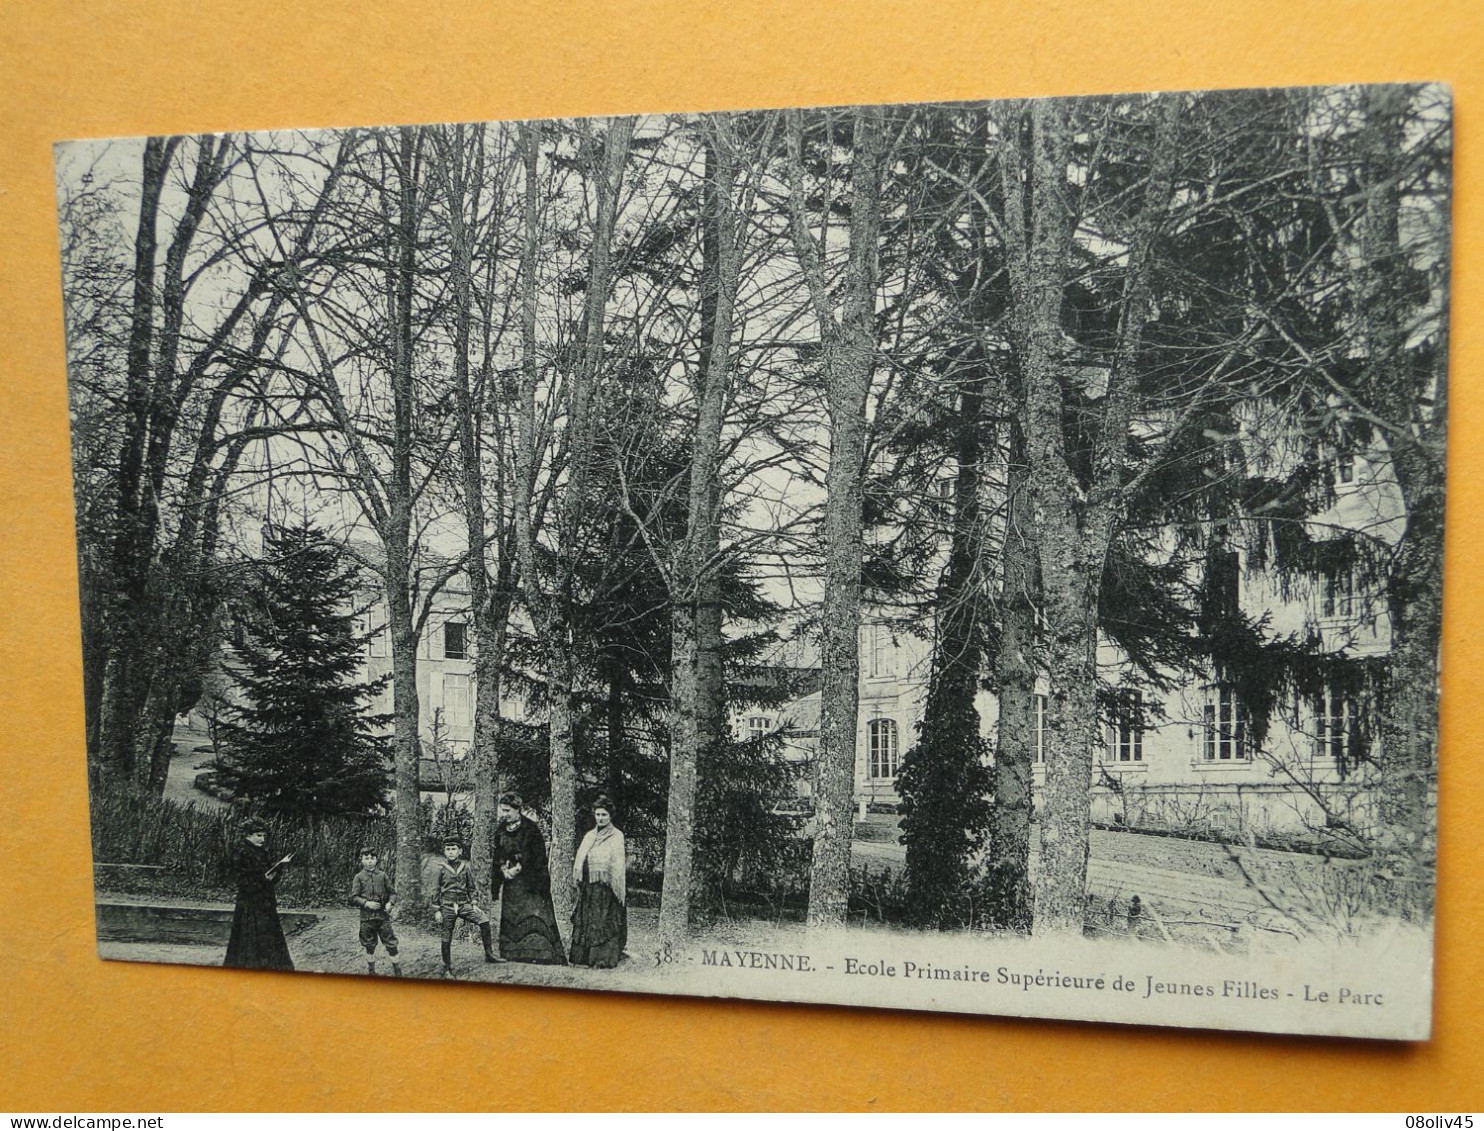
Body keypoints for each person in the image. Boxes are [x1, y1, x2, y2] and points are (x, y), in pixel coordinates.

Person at [491, 793, 566, 965]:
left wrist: (519, 868)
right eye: (502, 810)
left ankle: (539, 953)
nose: (504, 814)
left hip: (531, 882)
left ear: (518, 810)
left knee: (533, 915)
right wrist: (503, 869)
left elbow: (537, 856)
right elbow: (498, 853)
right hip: (511, 882)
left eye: (508, 810)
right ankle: (513, 953)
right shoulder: (501, 829)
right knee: (512, 915)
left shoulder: (531, 829)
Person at [224, 818, 294, 971]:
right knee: (249, 939)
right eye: (258, 835)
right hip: (250, 904)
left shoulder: (262, 852)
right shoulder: (241, 853)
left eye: (264, 836)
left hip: (266, 902)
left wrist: (277, 871)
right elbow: (242, 880)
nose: (262, 839)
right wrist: (263, 879)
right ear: (248, 835)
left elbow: (269, 877)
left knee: (269, 937)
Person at [427, 834, 497, 976]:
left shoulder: (465, 868)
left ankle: (489, 954)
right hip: (447, 906)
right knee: (446, 935)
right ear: (444, 851)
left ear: (460, 851)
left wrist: (474, 903)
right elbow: (434, 890)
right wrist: (436, 910)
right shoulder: (440, 869)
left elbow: (471, 888)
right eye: (448, 849)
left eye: (454, 848)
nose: (451, 851)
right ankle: (447, 968)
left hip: (464, 905)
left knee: (484, 920)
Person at [569, 795, 627, 968]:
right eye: (598, 814)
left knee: (602, 921)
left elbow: (617, 863)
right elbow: (581, 858)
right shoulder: (589, 836)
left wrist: (610, 880)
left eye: (604, 815)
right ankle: (582, 958)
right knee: (587, 920)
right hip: (589, 887)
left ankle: (602, 959)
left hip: (606, 889)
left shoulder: (617, 836)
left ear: (610, 816)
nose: (600, 818)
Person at [349, 846, 401, 977]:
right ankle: (371, 971)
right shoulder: (358, 877)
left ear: (376, 860)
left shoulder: (383, 875)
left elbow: (393, 893)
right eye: (366, 858)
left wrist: (390, 903)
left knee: (391, 944)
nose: (369, 861)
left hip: (383, 917)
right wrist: (366, 903)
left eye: (372, 858)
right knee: (369, 945)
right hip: (366, 918)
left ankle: (398, 971)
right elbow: (353, 897)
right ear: (361, 860)